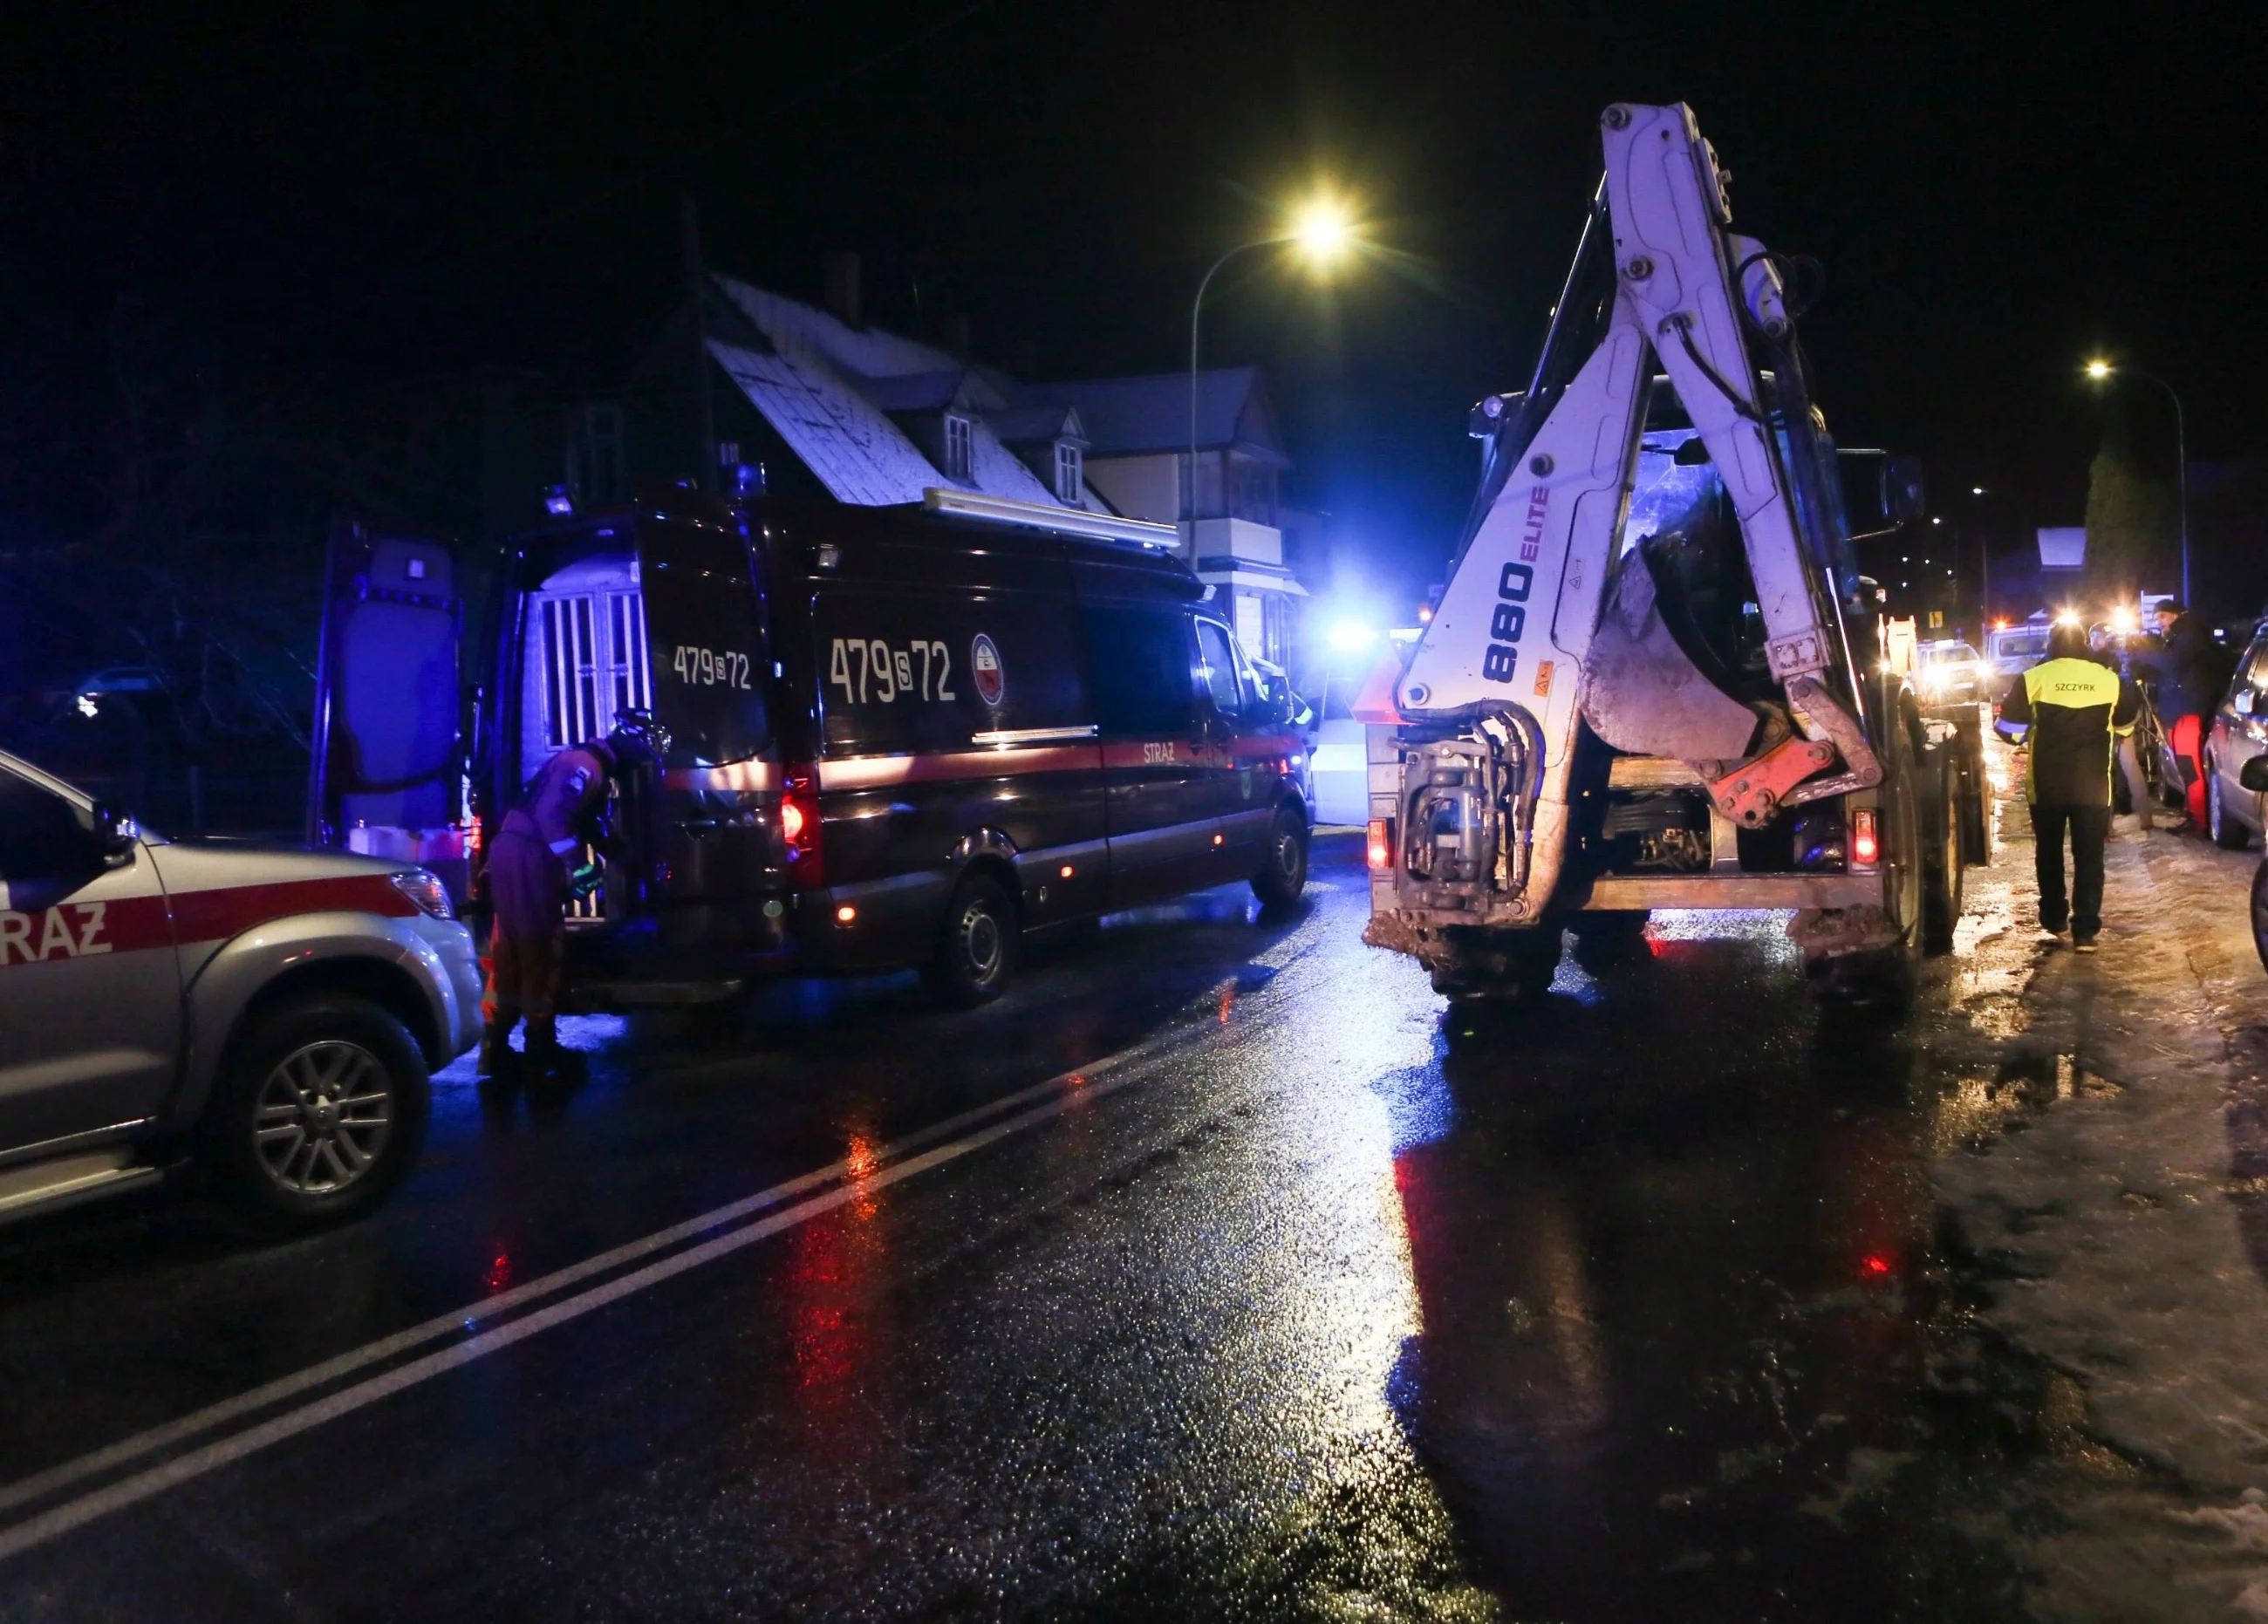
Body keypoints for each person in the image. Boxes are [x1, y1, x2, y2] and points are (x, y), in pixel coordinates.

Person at [480, 713, 665, 1075]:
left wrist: (626, 858)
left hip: (518, 855)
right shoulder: (582, 767)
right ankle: (539, 1046)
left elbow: (590, 824)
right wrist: (582, 867)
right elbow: (554, 819)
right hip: (528, 857)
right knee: (539, 948)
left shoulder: (587, 766)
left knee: (512, 950)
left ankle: (497, 1047)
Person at [1996, 622, 2140, 951]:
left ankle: (2054, 917)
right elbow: (2126, 725)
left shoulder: (2034, 678)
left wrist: (2026, 735)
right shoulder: (2109, 679)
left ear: (2051, 644)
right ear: (2085, 644)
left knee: (2049, 852)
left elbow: (2008, 729)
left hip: (2047, 784)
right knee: (2090, 856)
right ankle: (2085, 931)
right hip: (2093, 785)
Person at [2156, 607, 2230, 828]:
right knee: (2188, 768)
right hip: (2183, 713)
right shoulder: (2185, 639)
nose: (2159, 622)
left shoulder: (2189, 640)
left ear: (2176, 615)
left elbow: (2172, 665)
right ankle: (2194, 813)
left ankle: (2199, 820)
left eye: (2162, 616)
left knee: (2191, 768)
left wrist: (2144, 651)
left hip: (2189, 714)